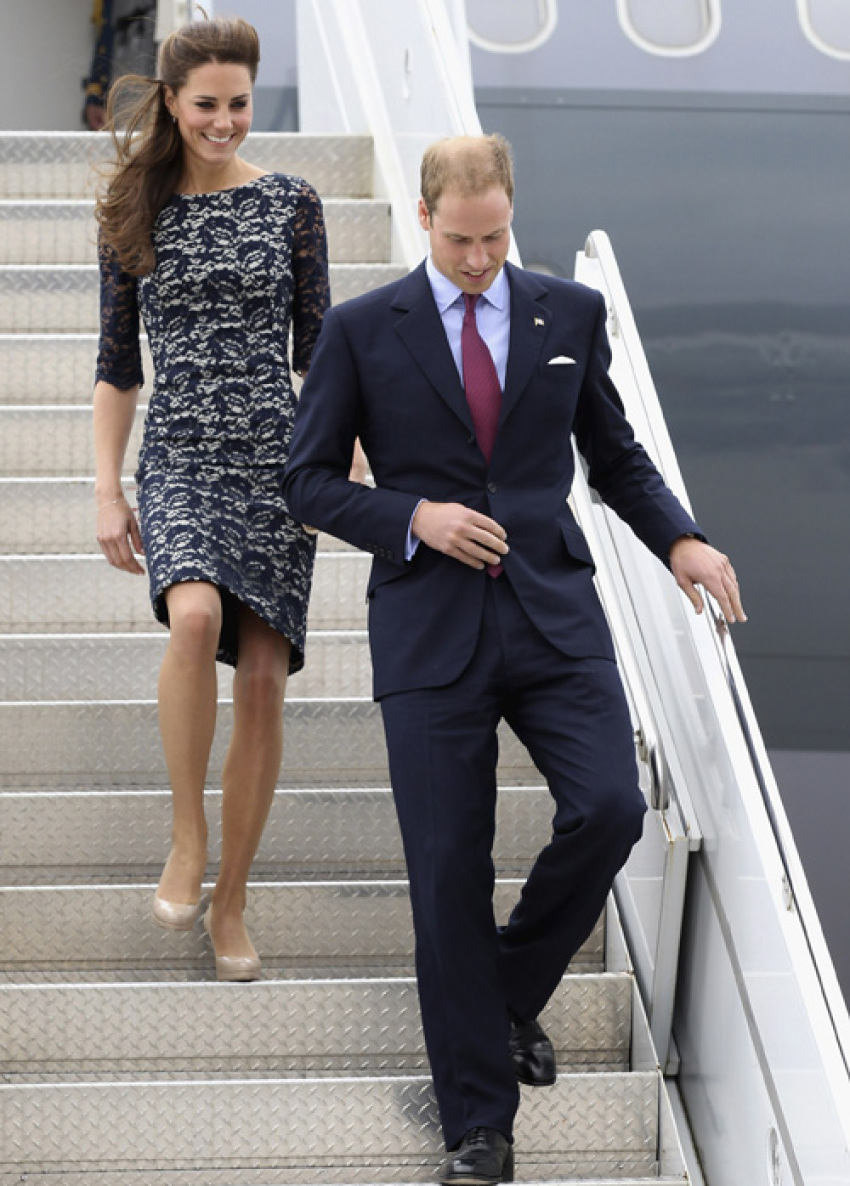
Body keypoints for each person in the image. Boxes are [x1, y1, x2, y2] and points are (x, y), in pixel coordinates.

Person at [283, 134, 746, 1184]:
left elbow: (614, 452)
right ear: (421, 215)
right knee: (447, 874)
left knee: (611, 808)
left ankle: (498, 998)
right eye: (459, 240)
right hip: (428, 627)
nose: (479, 258)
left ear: (509, 216)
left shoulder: (566, 316)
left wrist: (679, 537)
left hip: (551, 616)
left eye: (494, 237)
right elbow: (306, 482)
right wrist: (414, 517)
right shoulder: (362, 332)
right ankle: (479, 1129)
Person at [93, 16, 330, 981]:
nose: (224, 121)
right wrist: (107, 488)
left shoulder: (292, 204)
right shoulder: (130, 207)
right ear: (171, 101)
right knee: (192, 621)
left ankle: (231, 900)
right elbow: (117, 365)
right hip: (183, 451)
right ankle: (188, 833)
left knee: (265, 678)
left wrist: (343, 450)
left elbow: (319, 350)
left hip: (277, 459)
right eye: (206, 105)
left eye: (238, 103)